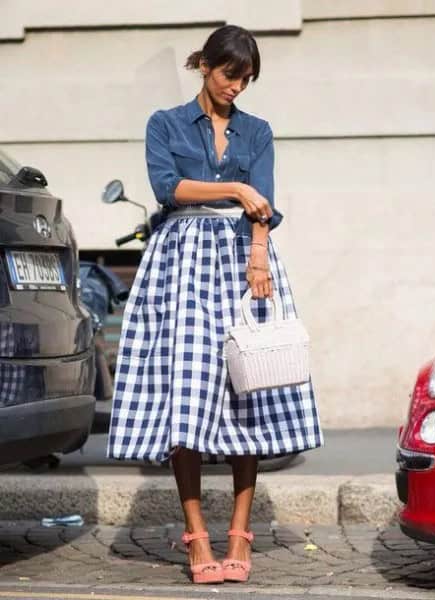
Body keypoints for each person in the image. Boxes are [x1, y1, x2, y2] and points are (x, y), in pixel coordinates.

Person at [107, 24, 323, 585]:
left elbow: (264, 205)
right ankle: (197, 536)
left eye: (247, 79)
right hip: (180, 264)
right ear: (205, 64)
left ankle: (239, 535)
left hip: (243, 262)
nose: (237, 87)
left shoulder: (258, 130)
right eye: (231, 74)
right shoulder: (166, 122)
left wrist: (257, 259)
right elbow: (167, 187)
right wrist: (235, 189)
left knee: (246, 391)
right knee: (187, 394)